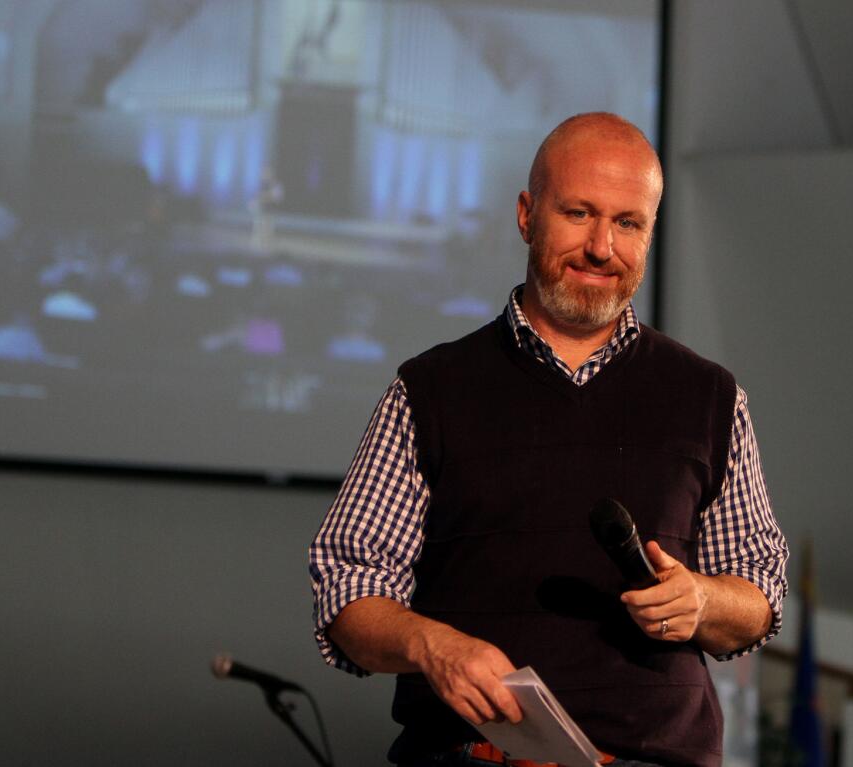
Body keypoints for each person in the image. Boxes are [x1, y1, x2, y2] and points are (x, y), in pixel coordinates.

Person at [310, 113, 788, 767]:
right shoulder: (429, 390)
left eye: (628, 223)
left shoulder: (710, 396)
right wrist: (432, 645)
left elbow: (760, 590)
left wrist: (703, 598)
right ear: (527, 215)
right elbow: (346, 582)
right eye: (579, 214)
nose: (601, 247)